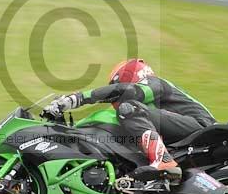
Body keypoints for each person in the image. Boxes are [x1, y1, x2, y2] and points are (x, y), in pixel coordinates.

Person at [43, 59, 215, 179]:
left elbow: (129, 91)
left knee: (128, 108)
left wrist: (76, 99)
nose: (114, 98)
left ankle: (163, 161)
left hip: (200, 126)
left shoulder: (155, 83)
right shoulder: (148, 110)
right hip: (184, 133)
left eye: (114, 87)